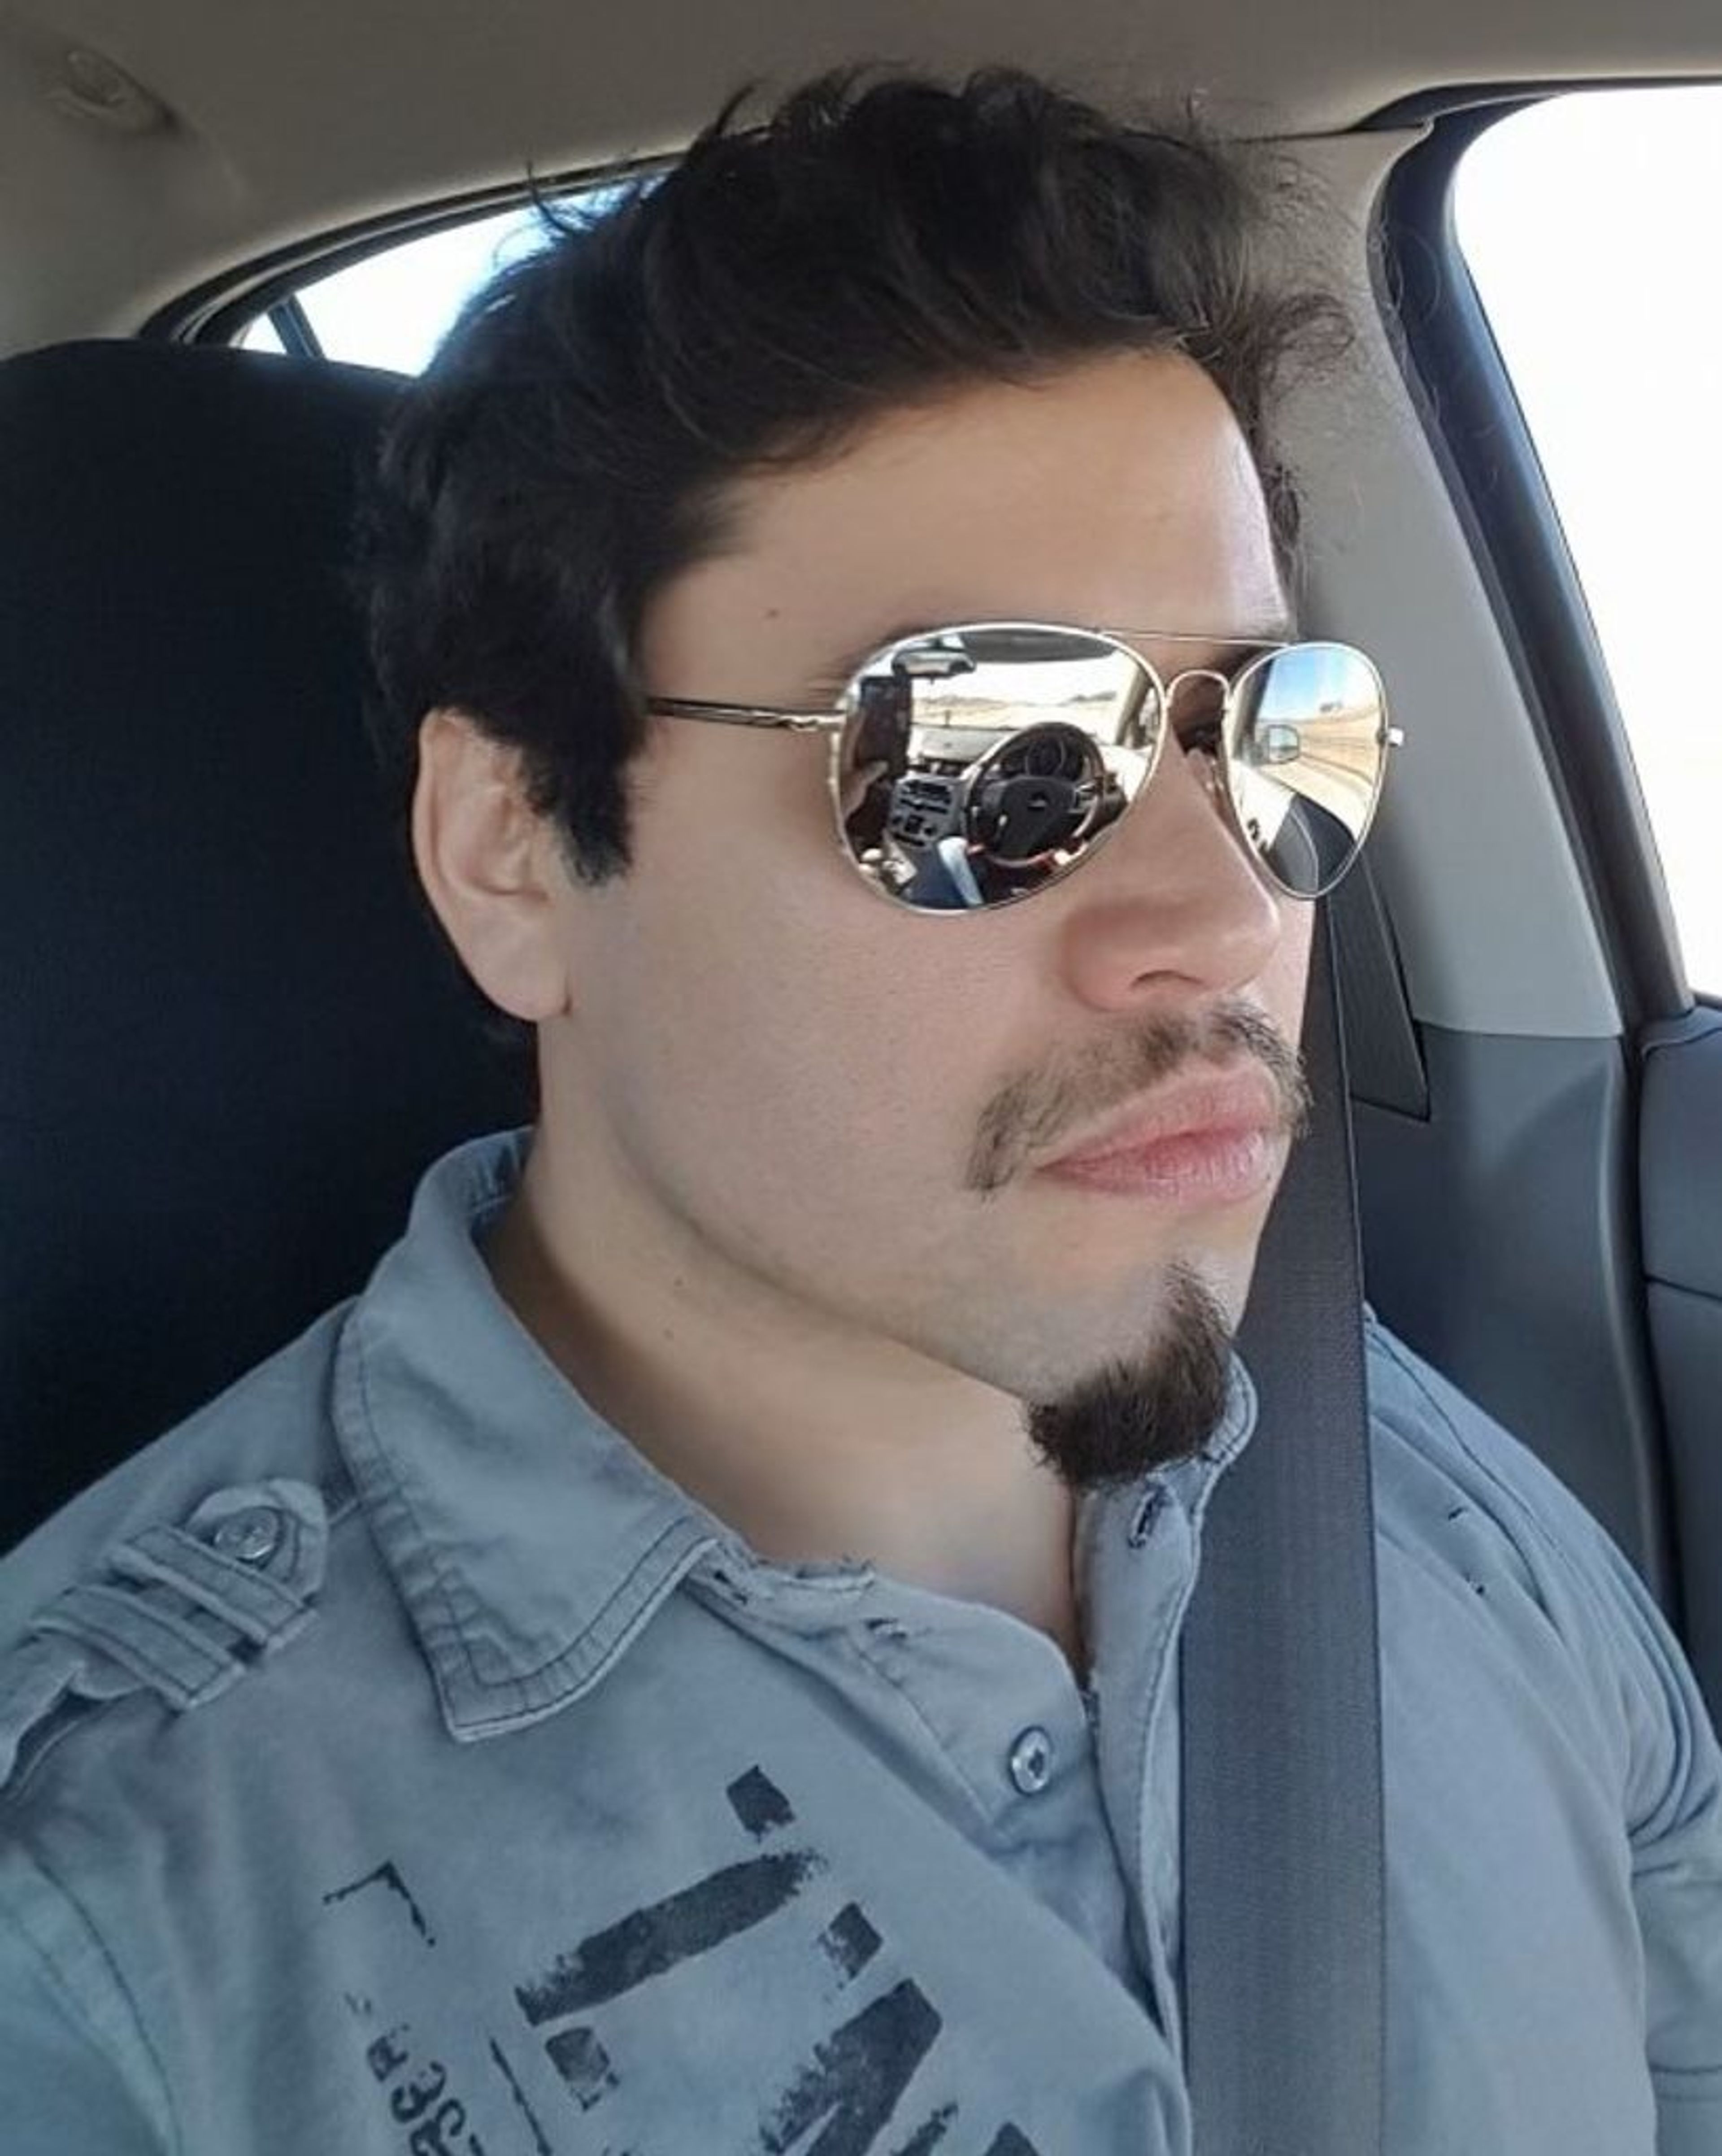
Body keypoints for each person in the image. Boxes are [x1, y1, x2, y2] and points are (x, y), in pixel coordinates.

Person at [2, 65, 1718, 2156]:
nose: (1220, 916)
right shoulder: (106, 1927)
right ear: (515, 850)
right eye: (986, 759)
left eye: (1275, 731)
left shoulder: (1403, 1477)